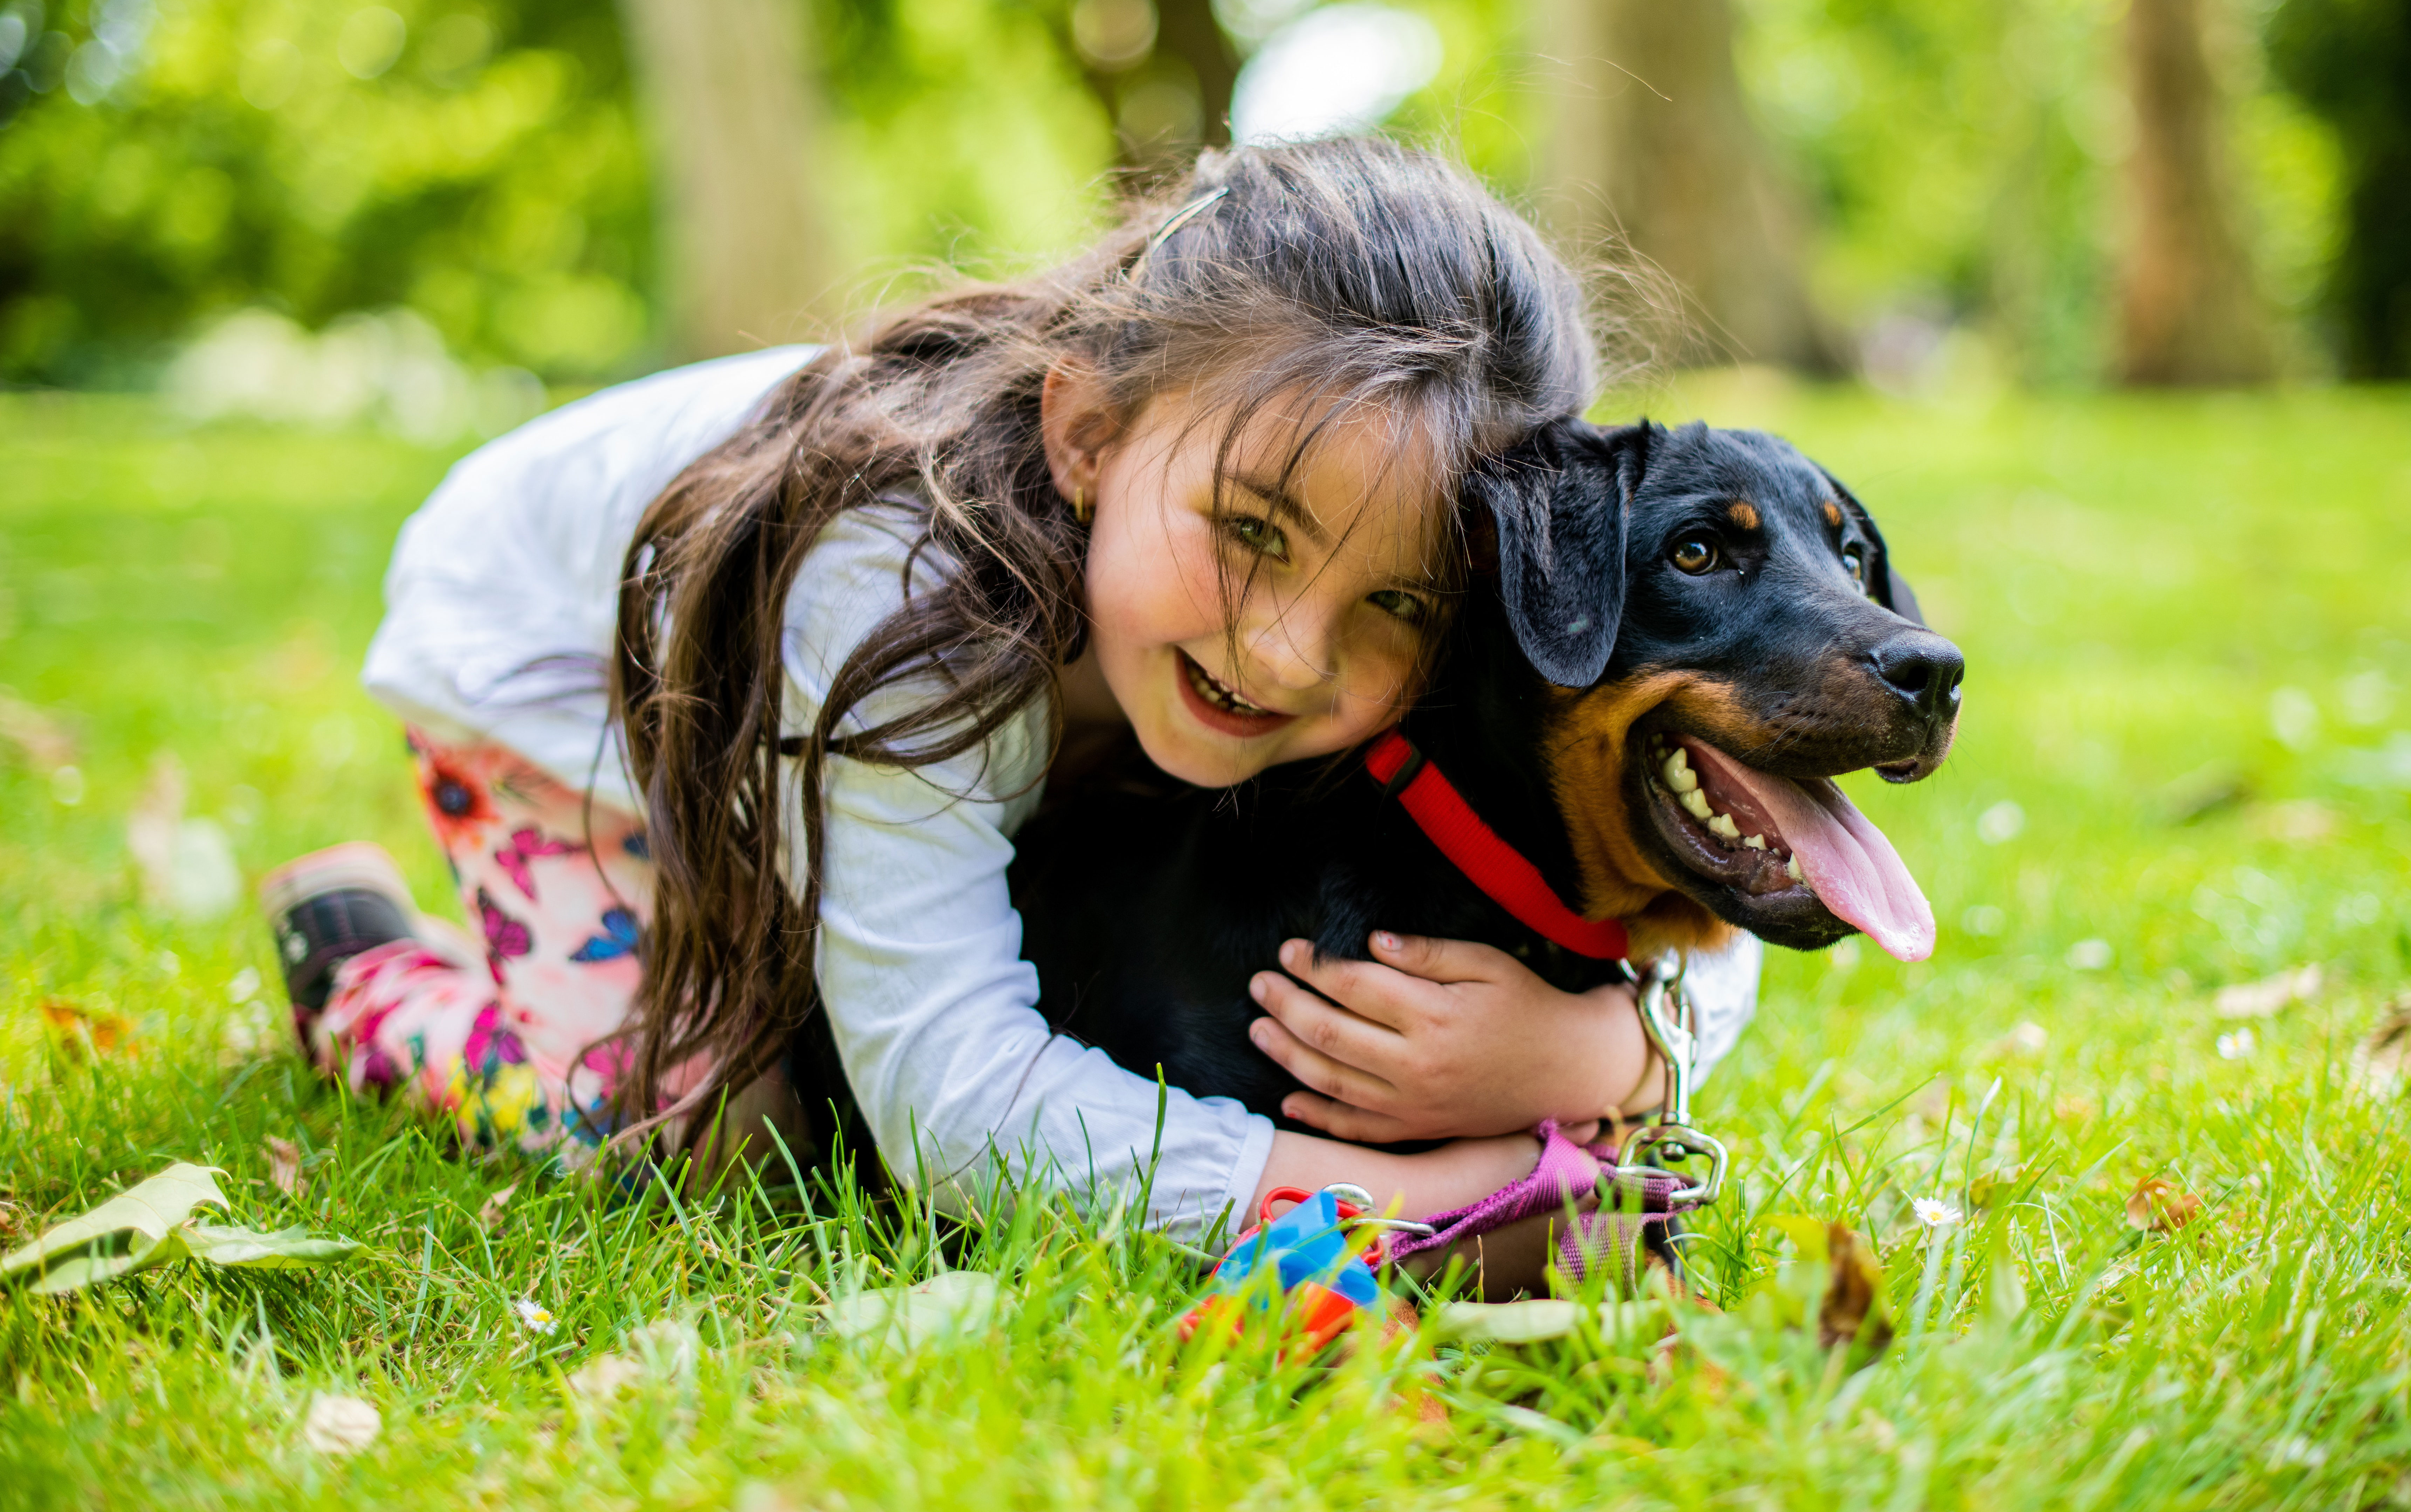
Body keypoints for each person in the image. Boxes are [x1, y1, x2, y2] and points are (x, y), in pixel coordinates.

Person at [259, 136, 1760, 1237]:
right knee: (714, 1138)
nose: (1291, 653)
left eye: (1398, 605)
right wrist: (1413, 1200)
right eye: (1247, 534)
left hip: (920, 716)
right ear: (1091, 433)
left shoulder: (1415, 576)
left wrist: (1614, 1046)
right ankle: (370, 977)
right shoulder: (896, 589)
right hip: (558, 672)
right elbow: (951, 1114)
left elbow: (1704, 845)